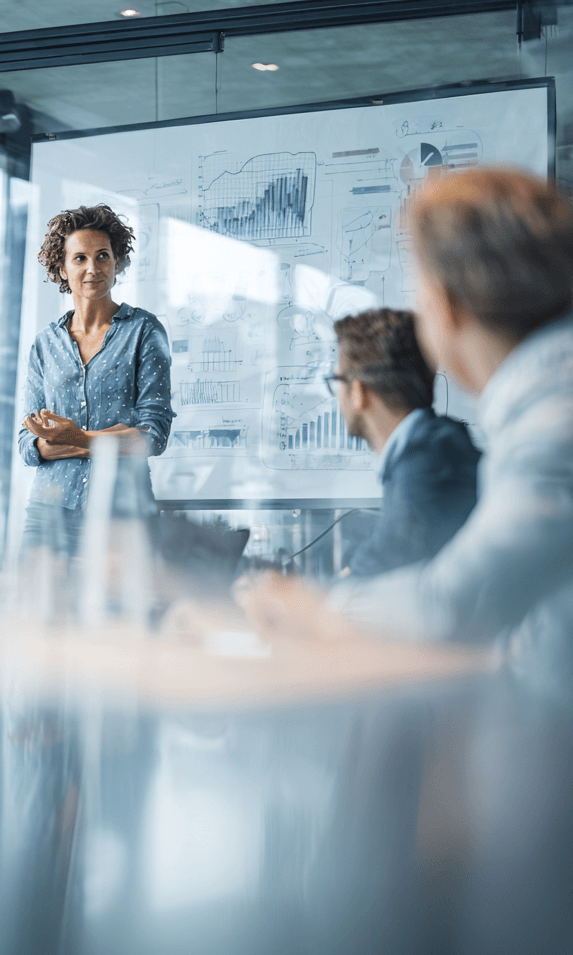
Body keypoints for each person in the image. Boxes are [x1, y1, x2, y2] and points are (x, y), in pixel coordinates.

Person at [239, 167, 573, 693]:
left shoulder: (553, 427)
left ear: (445, 305)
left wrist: (313, 607)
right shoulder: (537, 409)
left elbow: (456, 605)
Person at [18, 204, 173, 557]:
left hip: (123, 515)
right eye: (80, 258)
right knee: (34, 608)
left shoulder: (145, 332)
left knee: (119, 612)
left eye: (103, 256)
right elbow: (29, 444)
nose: (93, 268)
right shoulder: (45, 343)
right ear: (62, 267)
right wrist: (112, 439)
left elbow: (152, 437)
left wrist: (75, 438)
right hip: (48, 512)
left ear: (117, 262)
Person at [328, 308, 480, 577]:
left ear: (358, 392)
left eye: (336, 381)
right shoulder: (433, 444)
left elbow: (388, 562)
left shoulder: (429, 465)